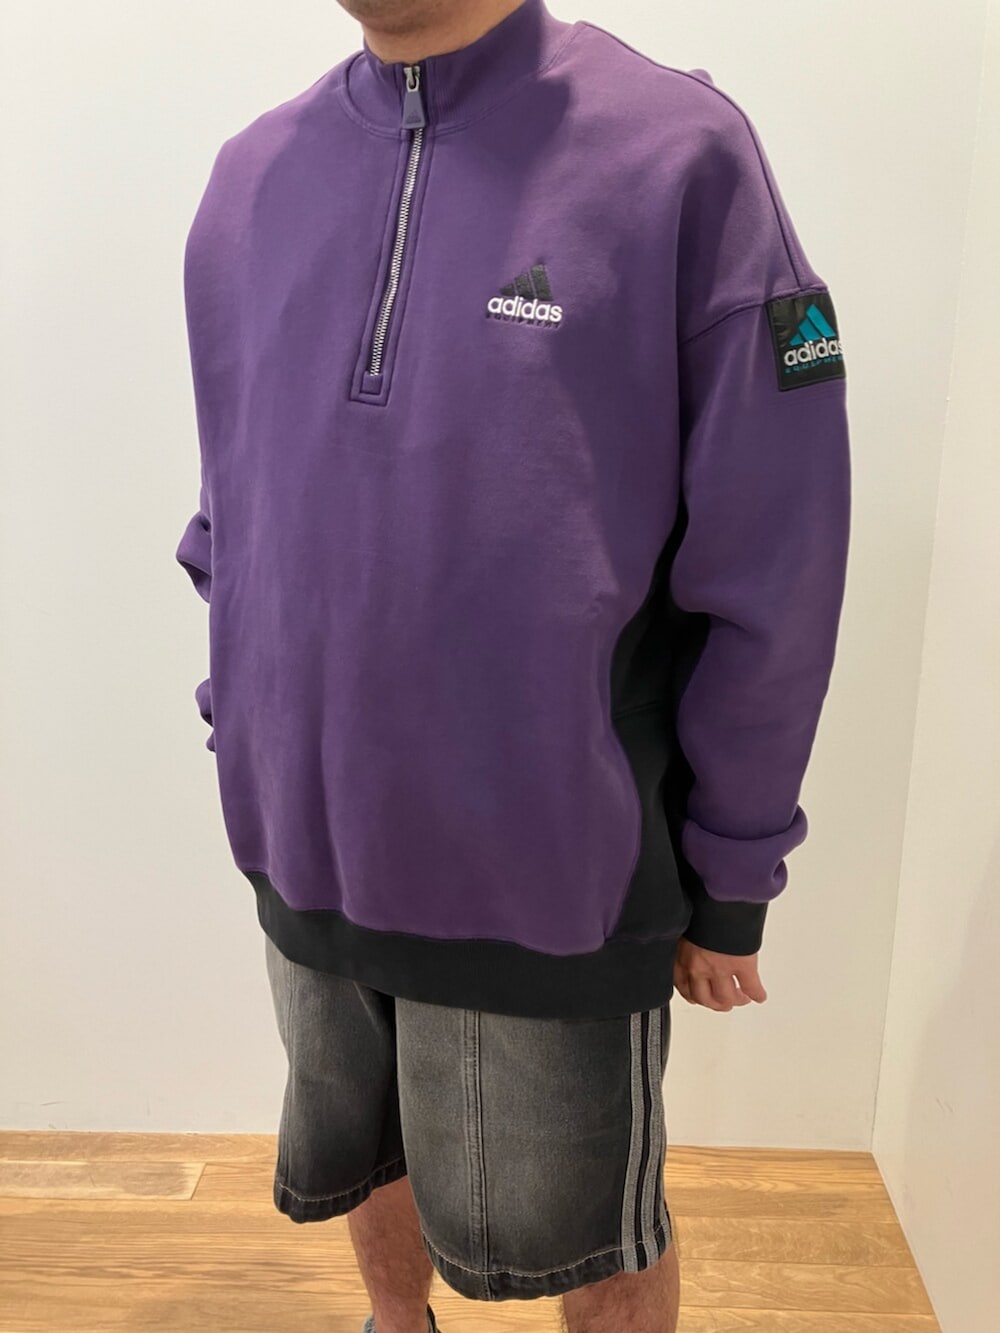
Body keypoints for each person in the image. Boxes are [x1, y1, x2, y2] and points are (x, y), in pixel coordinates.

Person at [174, 1, 851, 1329]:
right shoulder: (249, 180)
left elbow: (777, 558)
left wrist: (733, 867)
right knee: (362, 1155)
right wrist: (240, 720)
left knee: (587, 1235)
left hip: (549, 871)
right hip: (307, 845)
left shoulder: (679, 156)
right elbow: (234, 503)